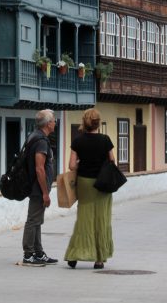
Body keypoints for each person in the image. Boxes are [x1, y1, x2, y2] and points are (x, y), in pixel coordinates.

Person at [64, 108, 115, 269]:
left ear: (84, 122)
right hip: (103, 183)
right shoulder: (105, 140)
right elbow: (112, 161)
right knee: (102, 218)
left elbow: (71, 165)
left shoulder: (78, 141)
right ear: (98, 123)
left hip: (85, 182)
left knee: (84, 217)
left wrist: (82, 164)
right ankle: (99, 259)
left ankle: (74, 255)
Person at [21, 109, 59, 266]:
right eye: (54, 120)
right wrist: (45, 193)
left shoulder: (35, 136)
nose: (55, 123)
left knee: (37, 220)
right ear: (48, 123)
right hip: (38, 187)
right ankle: (28, 254)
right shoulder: (41, 141)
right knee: (33, 220)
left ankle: (38, 252)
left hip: (36, 186)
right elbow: (39, 168)